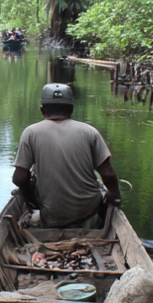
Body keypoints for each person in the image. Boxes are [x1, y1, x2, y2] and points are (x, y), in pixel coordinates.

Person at [12, 82, 122, 228]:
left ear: (42, 110)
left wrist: (30, 199)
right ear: (71, 109)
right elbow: (108, 174)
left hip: (51, 216)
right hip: (88, 211)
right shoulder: (90, 132)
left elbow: (19, 178)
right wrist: (114, 193)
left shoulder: (30, 133)